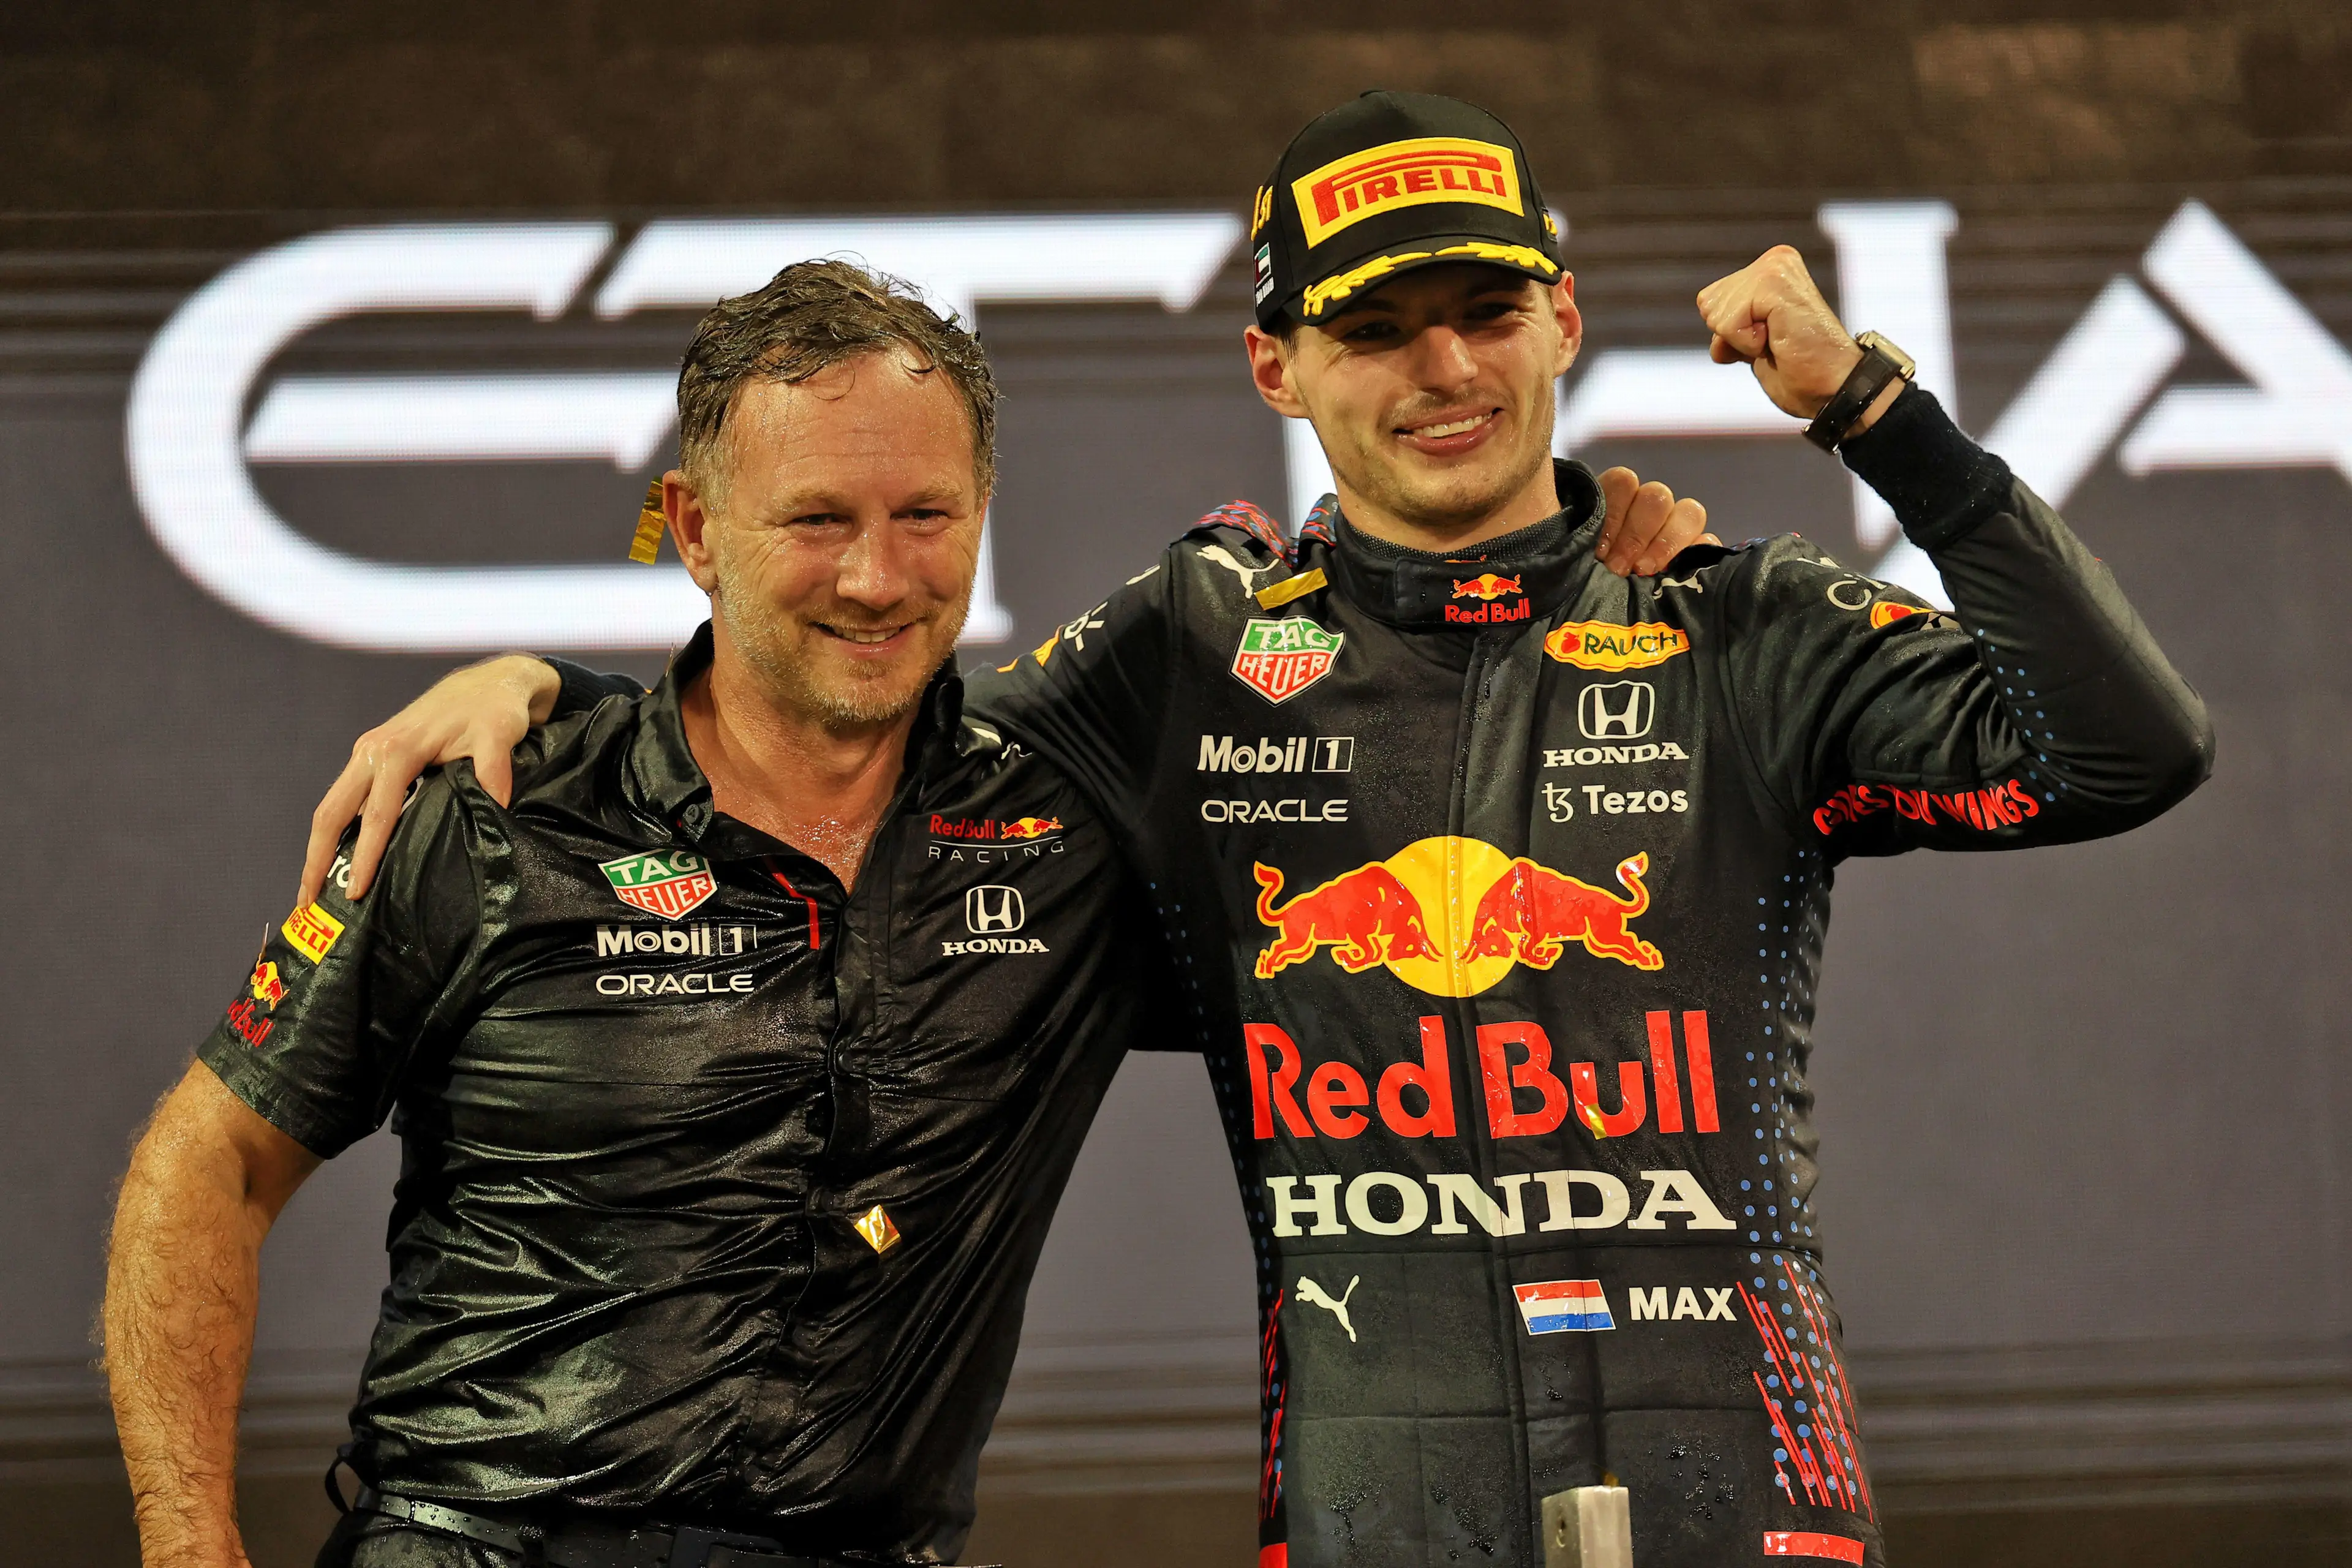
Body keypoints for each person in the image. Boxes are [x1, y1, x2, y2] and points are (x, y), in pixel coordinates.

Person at [303, 92, 2214, 1568]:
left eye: (1484, 314)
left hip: (1754, 1507)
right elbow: (842, 721)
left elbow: (2122, 750)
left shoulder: (1750, 623)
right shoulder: (1182, 654)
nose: (1444, 370)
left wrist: (1874, 411)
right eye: (1379, 329)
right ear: (1275, 368)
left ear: (1564, 321)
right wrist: (558, 692)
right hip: (1374, 1522)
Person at [105, 257, 1710, 1567]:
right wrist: (189, 1550)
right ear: (692, 533)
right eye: (816, 521)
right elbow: (209, 1156)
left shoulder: (1074, 828)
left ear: (982, 514)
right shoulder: (496, 805)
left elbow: (1406, 775)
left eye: (924, 515)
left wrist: (1581, 554)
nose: (877, 576)